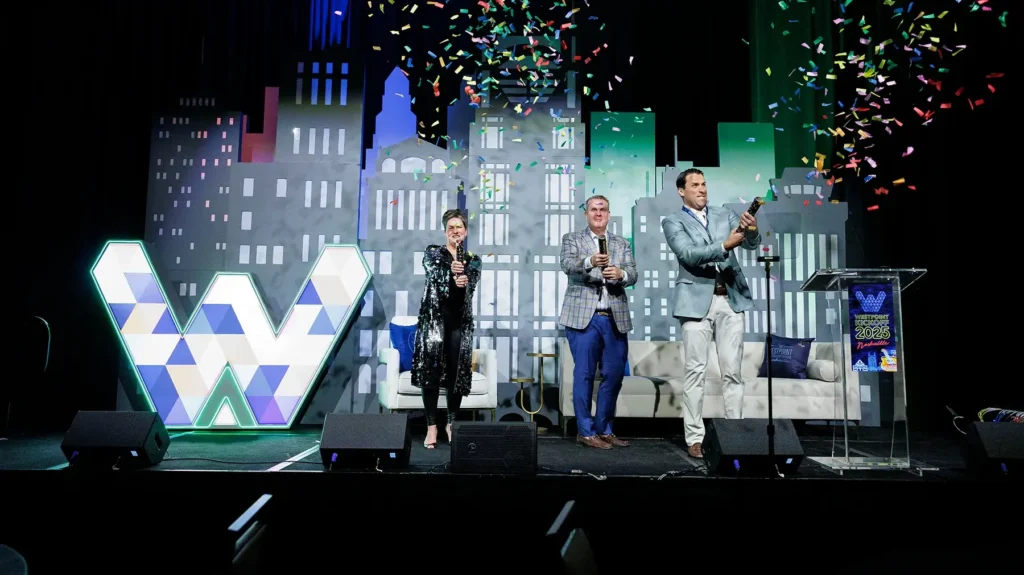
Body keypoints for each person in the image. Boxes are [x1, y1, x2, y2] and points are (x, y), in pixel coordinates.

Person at [662, 168, 760, 458]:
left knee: (733, 372)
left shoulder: (724, 214)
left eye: (704, 184)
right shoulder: (673, 221)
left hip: (730, 300)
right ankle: (695, 438)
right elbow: (689, 255)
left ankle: (735, 435)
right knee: (695, 373)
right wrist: (724, 245)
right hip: (694, 304)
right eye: (695, 185)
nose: (702, 189)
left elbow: (751, 244)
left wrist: (751, 229)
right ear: (682, 191)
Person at [559, 195, 637, 449]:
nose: (598, 213)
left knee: (613, 375)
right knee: (583, 374)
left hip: (614, 317)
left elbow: (633, 273)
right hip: (584, 318)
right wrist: (590, 261)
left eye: (603, 209)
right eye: (594, 209)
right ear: (586, 214)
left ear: (609, 214)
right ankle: (585, 431)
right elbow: (567, 265)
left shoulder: (621, 243)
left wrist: (620, 274)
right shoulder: (573, 239)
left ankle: (605, 429)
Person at [411, 209, 482, 449]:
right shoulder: (433, 253)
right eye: (450, 227)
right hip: (434, 320)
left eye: (459, 227)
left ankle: (452, 424)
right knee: (430, 371)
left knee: (456, 372)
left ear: (466, 232)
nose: (455, 231)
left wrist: (464, 281)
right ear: (445, 232)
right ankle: (431, 426)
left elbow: (471, 283)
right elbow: (434, 273)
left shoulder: (473, 259)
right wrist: (452, 272)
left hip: (459, 323)